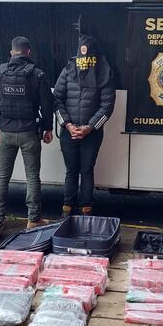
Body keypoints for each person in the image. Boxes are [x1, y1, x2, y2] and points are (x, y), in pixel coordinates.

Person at [0, 36, 54, 228]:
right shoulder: (37, 74)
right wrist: (48, 128)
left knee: (3, 175)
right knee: (32, 177)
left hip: (5, 132)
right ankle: (33, 219)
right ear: (28, 52)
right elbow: (47, 104)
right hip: (29, 132)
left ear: (11, 52)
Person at [53, 34, 115, 217]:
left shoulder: (104, 72)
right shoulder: (68, 70)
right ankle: (69, 208)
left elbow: (107, 107)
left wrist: (89, 127)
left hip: (91, 133)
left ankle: (84, 209)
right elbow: (57, 100)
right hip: (71, 131)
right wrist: (68, 125)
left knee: (85, 171)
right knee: (73, 171)